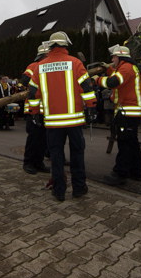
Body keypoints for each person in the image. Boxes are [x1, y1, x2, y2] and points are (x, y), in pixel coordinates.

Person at [27, 31, 96, 201]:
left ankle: (59, 190)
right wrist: (91, 108)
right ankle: (79, 188)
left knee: (56, 156)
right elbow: (87, 88)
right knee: (77, 154)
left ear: (50, 46)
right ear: (65, 45)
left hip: (53, 122)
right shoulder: (76, 63)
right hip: (74, 121)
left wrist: (34, 113)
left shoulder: (40, 67)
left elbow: (32, 93)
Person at [99, 45, 141, 187]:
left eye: (114, 57)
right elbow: (118, 77)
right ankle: (136, 172)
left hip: (127, 112)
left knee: (124, 144)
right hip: (131, 112)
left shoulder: (126, 68)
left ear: (119, 57)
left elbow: (113, 82)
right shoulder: (127, 68)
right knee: (132, 143)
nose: (112, 60)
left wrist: (97, 80)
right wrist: (109, 69)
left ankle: (120, 173)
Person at [21, 43, 49, 174]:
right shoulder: (34, 66)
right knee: (33, 138)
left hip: (45, 111)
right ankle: (28, 163)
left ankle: (39, 162)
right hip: (33, 110)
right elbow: (25, 80)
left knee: (43, 139)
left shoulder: (48, 67)